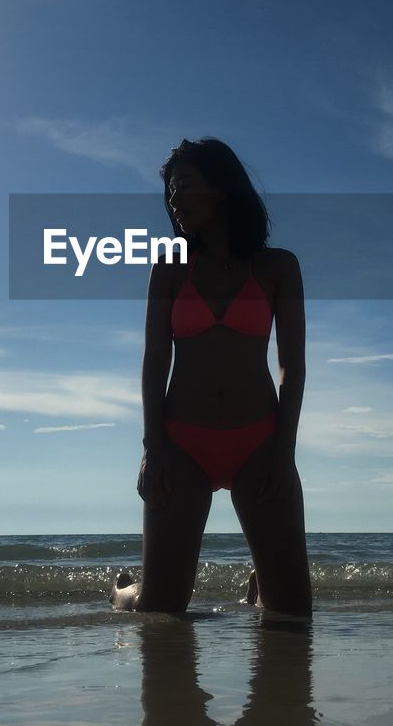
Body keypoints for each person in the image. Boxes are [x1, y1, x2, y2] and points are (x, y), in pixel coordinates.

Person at [110, 137, 312, 616]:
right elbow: (154, 361)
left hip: (259, 443)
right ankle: (122, 589)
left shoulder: (277, 268)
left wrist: (284, 451)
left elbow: (292, 365)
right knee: (158, 610)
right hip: (182, 445)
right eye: (170, 192)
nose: (174, 200)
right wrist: (153, 449)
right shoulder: (169, 268)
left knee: (294, 616)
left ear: (221, 189)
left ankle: (262, 585)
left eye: (184, 186)